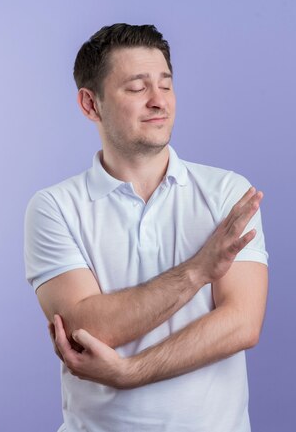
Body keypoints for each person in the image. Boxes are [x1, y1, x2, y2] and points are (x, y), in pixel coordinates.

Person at [24, 23, 268, 432]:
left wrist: (130, 372)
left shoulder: (229, 193)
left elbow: (242, 322)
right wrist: (198, 271)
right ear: (90, 104)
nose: (159, 102)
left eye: (166, 86)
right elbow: (88, 328)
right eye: (137, 88)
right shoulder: (54, 208)